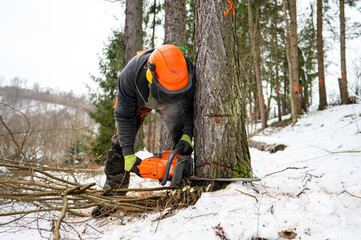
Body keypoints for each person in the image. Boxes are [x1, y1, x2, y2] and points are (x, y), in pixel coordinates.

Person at [92, 44, 195, 217]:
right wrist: (128, 154)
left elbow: (189, 108)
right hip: (137, 103)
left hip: (172, 101)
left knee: (181, 137)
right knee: (119, 146)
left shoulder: (185, 72)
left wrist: (187, 134)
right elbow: (123, 116)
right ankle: (111, 199)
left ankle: (182, 185)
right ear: (150, 74)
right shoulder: (129, 76)